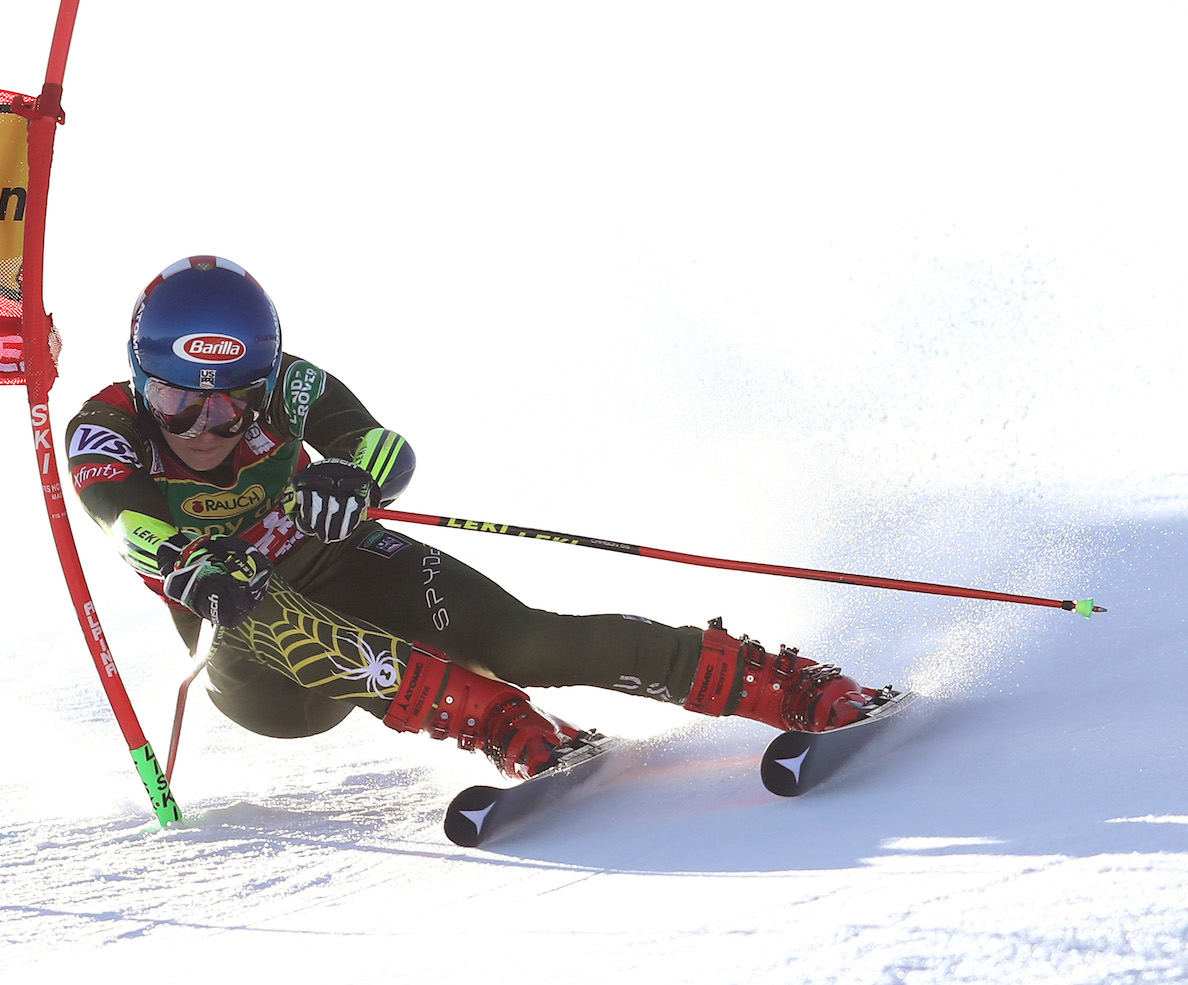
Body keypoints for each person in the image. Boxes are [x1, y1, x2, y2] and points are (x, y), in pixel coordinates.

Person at [66, 256, 884, 780]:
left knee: (527, 639)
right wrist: (192, 562)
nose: (204, 430)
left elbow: (381, 445)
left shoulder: (293, 386)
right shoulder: (104, 429)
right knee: (247, 590)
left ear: (264, 383)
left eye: (231, 408)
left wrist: (353, 478)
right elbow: (123, 520)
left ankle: (773, 680)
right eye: (177, 403)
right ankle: (494, 720)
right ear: (142, 383)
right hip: (263, 671)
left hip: (338, 564)